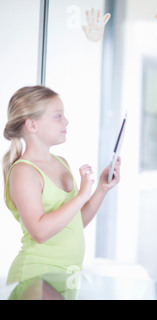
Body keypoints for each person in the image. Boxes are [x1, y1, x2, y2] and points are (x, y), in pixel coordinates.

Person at [2, 85, 120, 298]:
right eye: (58, 116)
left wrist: (101, 189)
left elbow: (74, 222)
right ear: (32, 125)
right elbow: (39, 232)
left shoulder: (61, 163)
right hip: (36, 278)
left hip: (67, 277)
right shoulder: (23, 171)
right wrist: (82, 195)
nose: (66, 122)